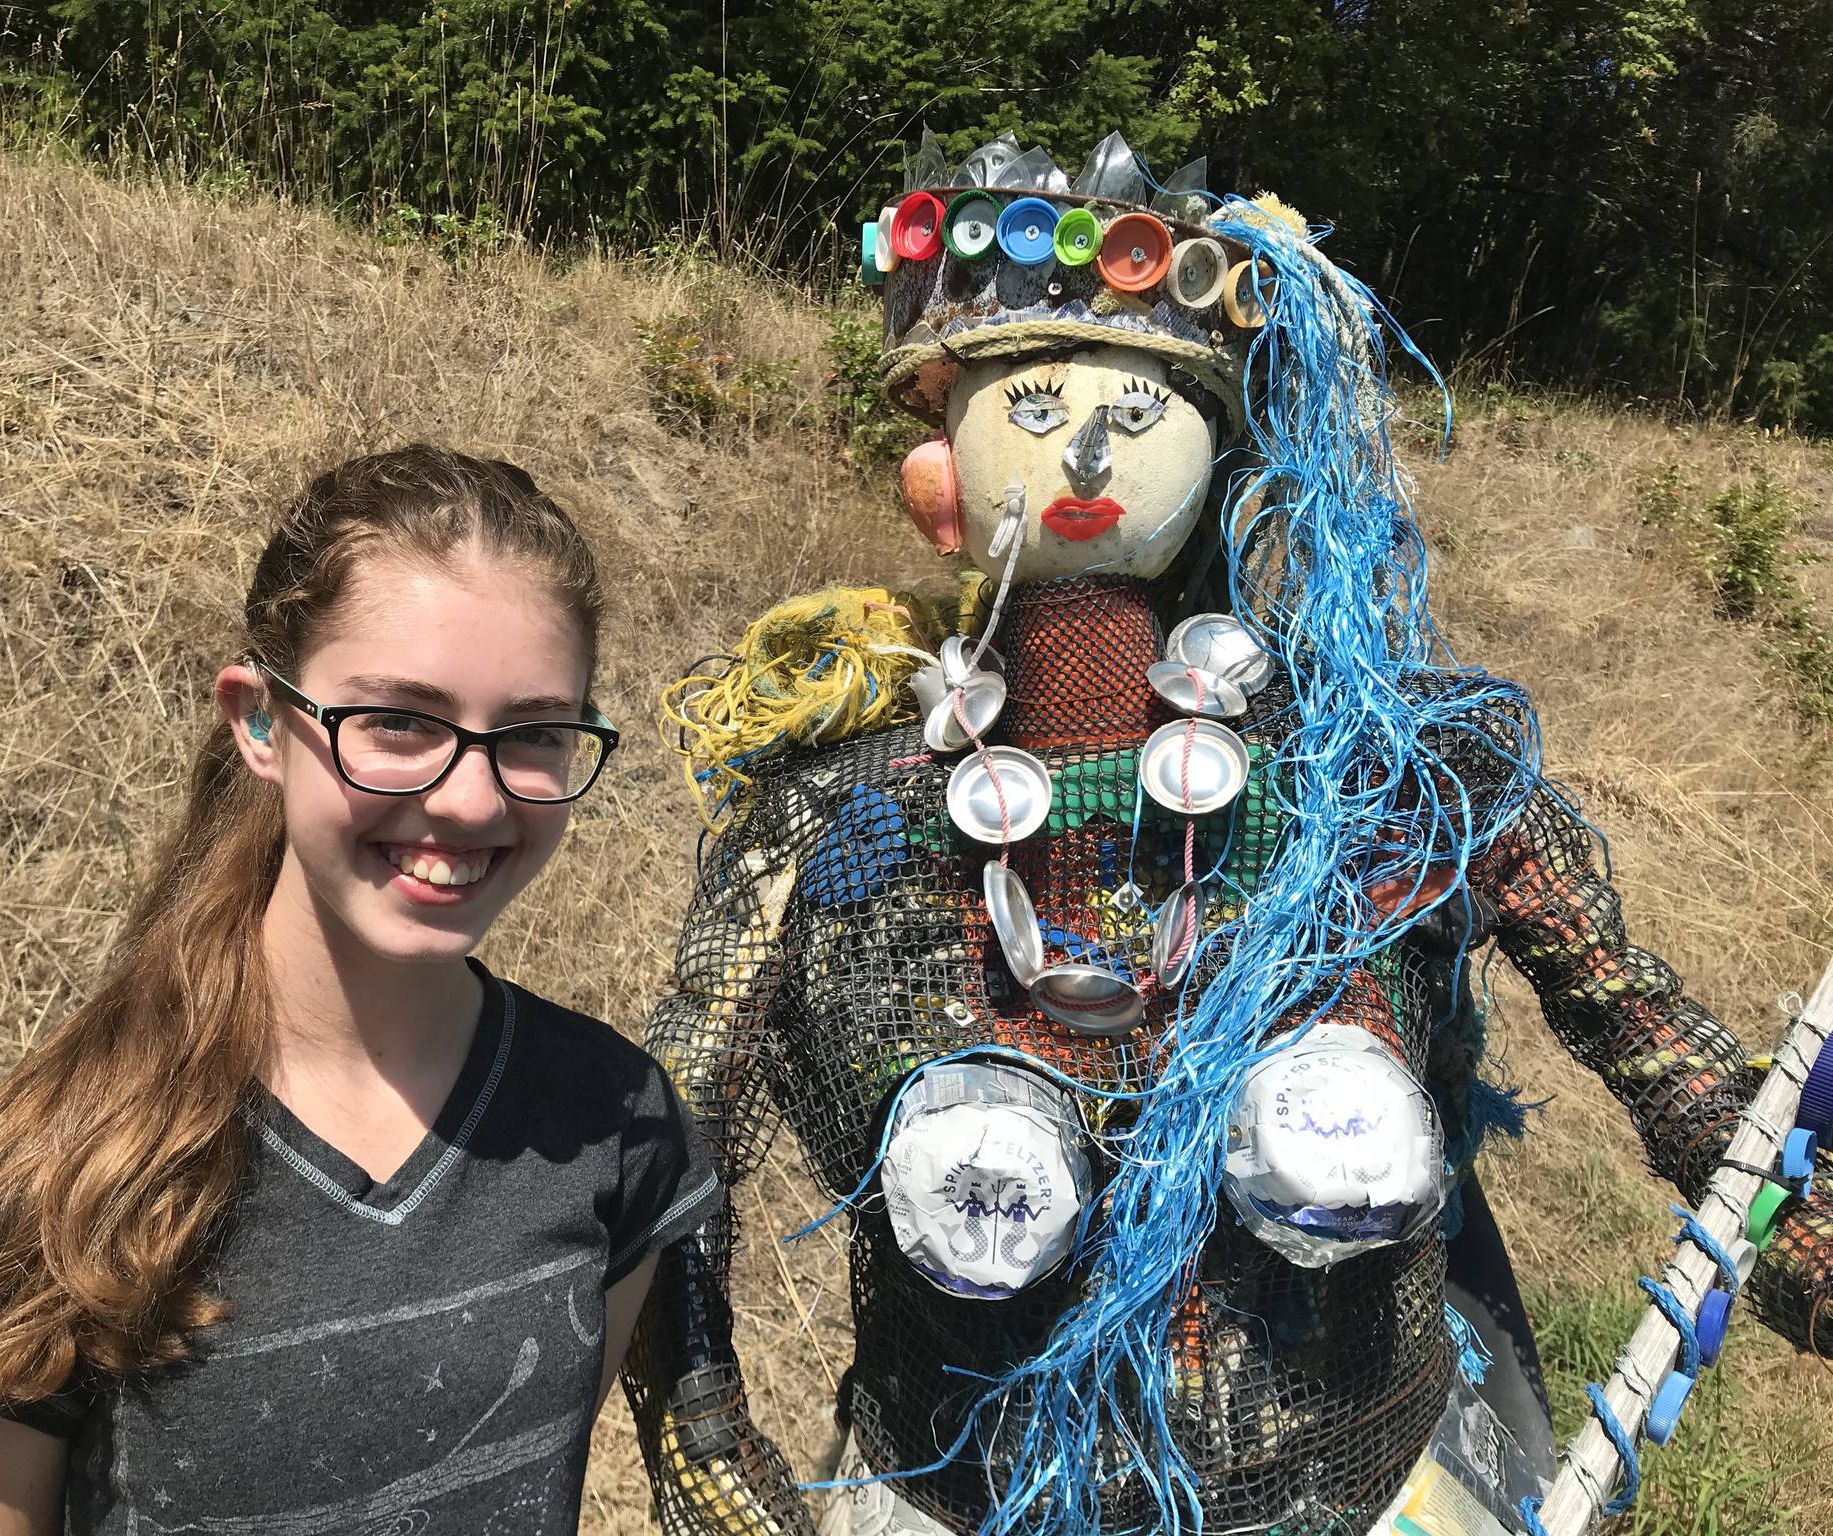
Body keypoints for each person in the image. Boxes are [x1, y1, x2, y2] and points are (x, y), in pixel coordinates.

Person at [619, 133, 1833, 1536]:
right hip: (951, 1493)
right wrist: (712, 1456)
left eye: (1136, 418)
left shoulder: (1388, 776)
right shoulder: (841, 803)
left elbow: (1660, 1047)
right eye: (1036, 408)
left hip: (1373, 1481)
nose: (1081, 452)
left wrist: (1797, 1233)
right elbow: (668, 1152)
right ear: (937, 465)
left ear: (1224, 453)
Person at [0, 445, 721, 1536]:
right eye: (399, 722)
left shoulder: (614, 1124)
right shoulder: (58, 1182)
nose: (469, 801)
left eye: (533, 735)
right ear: (261, 722)